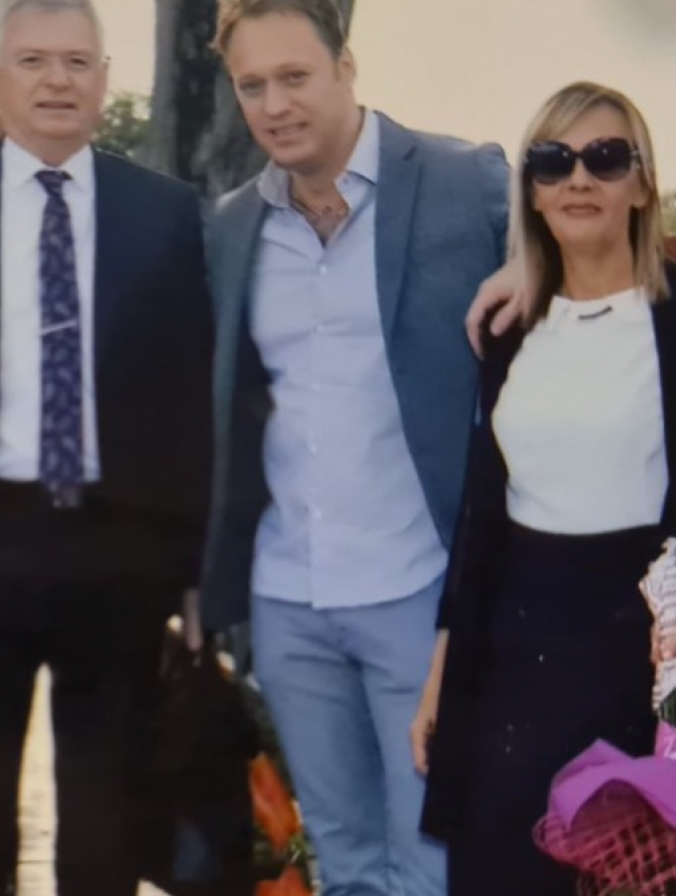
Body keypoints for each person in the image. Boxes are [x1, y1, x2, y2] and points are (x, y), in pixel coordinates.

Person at [199, 1, 509, 893]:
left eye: (294, 77)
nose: (273, 105)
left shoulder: (464, 181)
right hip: (287, 601)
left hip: (417, 591)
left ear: (345, 65)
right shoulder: (230, 226)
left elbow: (588, 259)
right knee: (340, 863)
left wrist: (534, 259)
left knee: (429, 865)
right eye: (251, 85)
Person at [0, 0, 213, 894]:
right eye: (34, 61)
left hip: (115, 547)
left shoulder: (166, 214)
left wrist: (190, 570)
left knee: (105, 822)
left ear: (104, 80)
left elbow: (188, 400)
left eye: (78, 63)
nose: (57, 81)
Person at [415, 81, 675, 896]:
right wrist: (441, 670)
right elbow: (480, 518)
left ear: (641, 184)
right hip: (512, 657)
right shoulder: (507, 327)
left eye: (605, 158)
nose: (578, 179)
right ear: (529, 189)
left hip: (638, 659)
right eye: (552, 160)